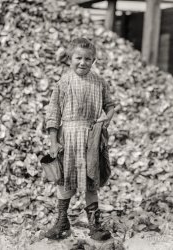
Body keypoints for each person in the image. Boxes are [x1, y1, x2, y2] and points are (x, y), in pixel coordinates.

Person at [45, 37, 116, 241]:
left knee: (91, 182)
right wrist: (53, 141)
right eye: (78, 58)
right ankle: (62, 222)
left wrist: (106, 118)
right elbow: (53, 112)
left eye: (88, 59)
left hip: (92, 138)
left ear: (93, 61)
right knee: (65, 182)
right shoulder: (63, 82)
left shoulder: (100, 82)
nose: (82, 62)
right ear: (70, 58)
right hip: (68, 136)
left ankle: (94, 225)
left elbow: (110, 105)